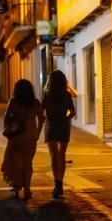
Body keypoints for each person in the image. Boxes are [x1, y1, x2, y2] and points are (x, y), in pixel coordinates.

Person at [0, 79, 45, 200]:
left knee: (15, 162)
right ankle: (27, 189)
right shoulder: (35, 102)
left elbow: (6, 117)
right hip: (30, 136)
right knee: (28, 163)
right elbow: (42, 118)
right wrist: (38, 133)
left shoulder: (14, 101)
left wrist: (8, 131)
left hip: (16, 136)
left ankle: (16, 187)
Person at [43, 70, 76, 199]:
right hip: (63, 123)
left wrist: (47, 117)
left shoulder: (47, 95)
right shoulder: (67, 95)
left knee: (53, 155)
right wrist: (65, 119)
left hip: (51, 124)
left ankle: (56, 183)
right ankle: (60, 183)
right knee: (62, 155)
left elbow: (42, 111)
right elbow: (72, 113)